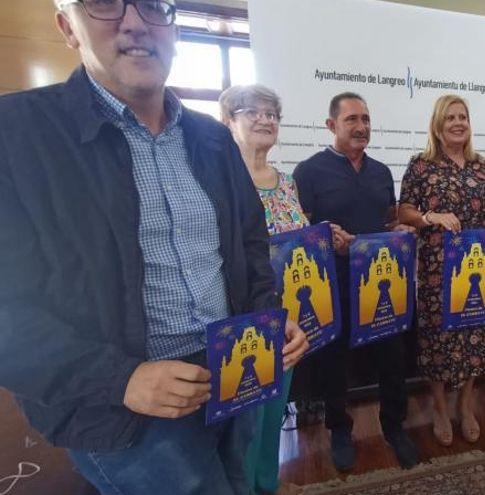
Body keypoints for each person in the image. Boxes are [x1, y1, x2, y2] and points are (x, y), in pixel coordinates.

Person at [0, 2, 308, 494]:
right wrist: (121, 380)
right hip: (123, 413)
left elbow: (249, 247)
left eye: (153, 6)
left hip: (233, 377)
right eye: (104, 3)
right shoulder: (16, 135)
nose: (135, 22)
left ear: (173, 27)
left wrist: (267, 312)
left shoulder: (211, 138)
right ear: (67, 26)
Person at [293, 92, 419, 472]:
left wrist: (400, 230)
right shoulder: (309, 171)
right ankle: (340, 430)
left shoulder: (381, 172)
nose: (361, 126)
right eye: (352, 120)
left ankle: (394, 426)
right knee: (333, 363)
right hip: (333, 284)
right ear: (331, 125)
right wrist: (325, 237)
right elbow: (301, 234)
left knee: (392, 358)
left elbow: (388, 221)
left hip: (380, 282)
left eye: (365, 118)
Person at [220, 84, 320, 494]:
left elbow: (296, 237)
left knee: (275, 404)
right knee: (244, 415)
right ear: (228, 121)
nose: (265, 119)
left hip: (290, 312)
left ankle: (267, 482)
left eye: (272, 114)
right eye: (252, 112)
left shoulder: (287, 181)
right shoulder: (219, 179)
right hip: (239, 312)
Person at [398, 95, 485, 446]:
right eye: (450, 117)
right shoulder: (420, 164)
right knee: (438, 339)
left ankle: (465, 405)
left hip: (477, 266)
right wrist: (430, 217)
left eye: (463, 116)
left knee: (477, 335)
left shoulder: (481, 165)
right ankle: (439, 406)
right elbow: (403, 211)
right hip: (436, 269)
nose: (458, 122)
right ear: (438, 124)